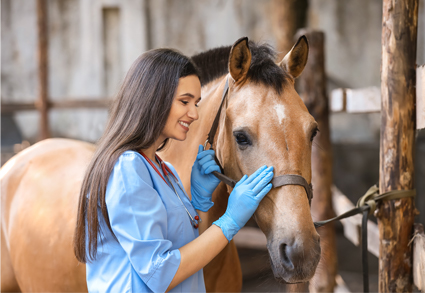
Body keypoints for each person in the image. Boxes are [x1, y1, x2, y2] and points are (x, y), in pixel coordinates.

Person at [73, 48, 274, 292]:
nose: (194, 113)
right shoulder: (128, 169)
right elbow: (159, 273)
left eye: (196, 103)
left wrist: (199, 201)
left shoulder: (163, 169)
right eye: (184, 101)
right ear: (153, 98)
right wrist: (230, 220)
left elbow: (184, 249)